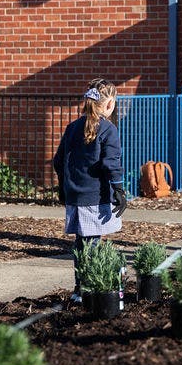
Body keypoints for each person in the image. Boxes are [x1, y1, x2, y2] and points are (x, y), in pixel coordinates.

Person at [53, 78, 127, 302]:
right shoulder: (108, 129)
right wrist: (119, 189)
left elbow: (58, 161)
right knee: (93, 244)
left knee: (81, 243)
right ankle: (88, 288)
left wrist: (64, 187)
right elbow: (110, 163)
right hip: (95, 195)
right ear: (110, 104)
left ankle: (79, 288)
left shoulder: (72, 127)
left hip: (75, 195)